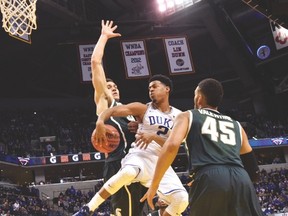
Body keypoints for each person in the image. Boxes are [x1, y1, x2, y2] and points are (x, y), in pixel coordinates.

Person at [141, 78, 263, 216]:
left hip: (209, 177)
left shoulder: (187, 116)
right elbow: (253, 169)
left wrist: (155, 184)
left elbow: (171, 146)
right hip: (241, 179)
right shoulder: (236, 125)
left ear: (199, 98)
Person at [77, 74, 189, 216]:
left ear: (167, 89)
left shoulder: (180, 116)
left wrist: (153, 136)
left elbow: (176, 144)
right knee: (128, 173)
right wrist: (100, 121)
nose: (151, 90)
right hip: (140, 155)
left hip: (160, 163)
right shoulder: (143, 108)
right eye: (149, 88)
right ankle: (88, 208)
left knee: (182, 199)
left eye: (155, 87)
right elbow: (112, 111)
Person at [73, 20, 146, 216]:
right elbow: (95, 63)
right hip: (119, 163)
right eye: (109, 86)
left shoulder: (129, 111)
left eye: (115, 86)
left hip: (139, 162)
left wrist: (139, 127)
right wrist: (104, 37)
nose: (113, 88)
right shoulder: (106, 103)